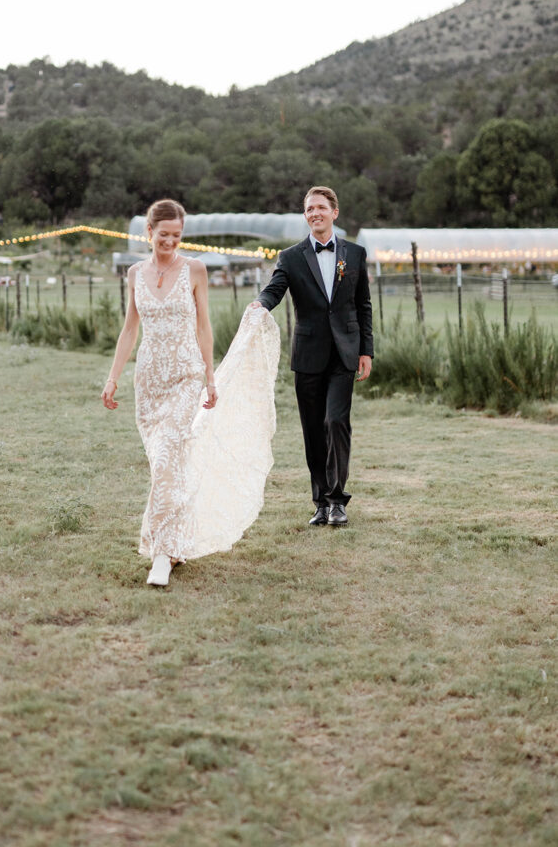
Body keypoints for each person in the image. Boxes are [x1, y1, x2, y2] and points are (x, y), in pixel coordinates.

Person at [102, 199, 279, 586]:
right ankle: (174, 542)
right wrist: (113, 377)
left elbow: (204, 327)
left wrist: (210, 378)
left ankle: (161, 555)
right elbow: (130, 330)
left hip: (186, 378)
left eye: (177, 236)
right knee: (165, 467)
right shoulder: (134, 274)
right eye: (163, 235)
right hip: (149, 383)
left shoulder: (195, 270)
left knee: (168, 458)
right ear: (149, 233)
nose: (170, 242)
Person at [252, 186, 373, 527]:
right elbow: (274, 289)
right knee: (313, 431)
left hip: (344, 354)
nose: (315, 213)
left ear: (334, 212)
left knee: (336, 422)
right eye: (309, 209)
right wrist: (260, 305)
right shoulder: (290, 257)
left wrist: (367, 350)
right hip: (307, 355)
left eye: (321, 207)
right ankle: (319, 502)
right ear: (305, 216)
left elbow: (363, 305)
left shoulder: (356, 254)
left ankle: (337, 501)